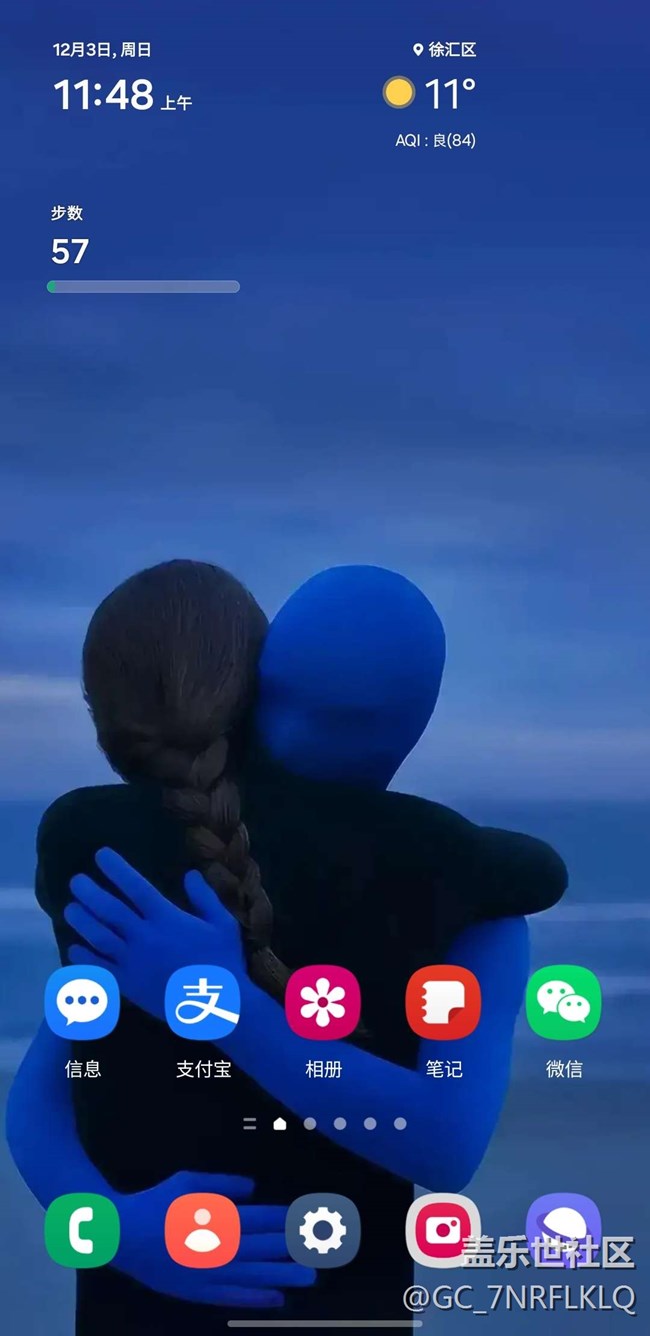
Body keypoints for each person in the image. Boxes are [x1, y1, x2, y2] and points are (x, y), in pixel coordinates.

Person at [9, 561, 567, 1332]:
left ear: (253, 688)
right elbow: (443, 1144)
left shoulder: (117, 851)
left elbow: (40, 1096)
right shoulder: (474, 887)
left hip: (136, 1309)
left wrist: (108, 1227)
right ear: (419, 719)